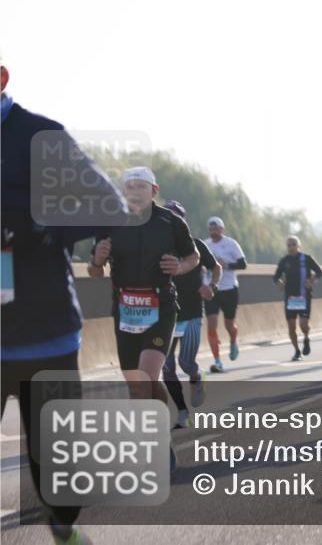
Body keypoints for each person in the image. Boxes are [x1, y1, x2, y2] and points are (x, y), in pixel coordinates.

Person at [2, 62, 127, 545]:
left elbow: (109, 206)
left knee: (59, 480)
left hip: (43, 334)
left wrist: (39, 227)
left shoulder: (42, 138)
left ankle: (64, 529)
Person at [88, 167, 200, 471]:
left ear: (154, 190)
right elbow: (94, 272)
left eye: (141, 186)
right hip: (124, 307)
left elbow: (193, 256)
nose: (134, 190)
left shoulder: (170, 221)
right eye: (129, 186)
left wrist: (179, 266)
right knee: (137, 384)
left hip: (161, 304)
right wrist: (97, 259)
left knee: (148, 373)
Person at [161, 201, 220, 428]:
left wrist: (211, 287)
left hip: (192, 312)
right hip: (165, 315)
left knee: (186, 363)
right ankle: (183, 412)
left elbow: (216, 268)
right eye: (167, 217)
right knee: (166, 367)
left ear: (183, 221)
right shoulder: (156, 247)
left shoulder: (195, 245)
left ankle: (197, 376)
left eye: (176, 217)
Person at [203, 217, 246, 372]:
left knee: (229, 325)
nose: (213, 231)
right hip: (212, 289)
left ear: (222, 229)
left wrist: (226, 265)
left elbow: (243, 264)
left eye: (216, 228)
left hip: (229, 289)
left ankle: (233, 340)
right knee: (211, 325)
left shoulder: (231, 244)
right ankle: (217, 360)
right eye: (211, 229)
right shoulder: (205, 245)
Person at [274, 236, 322, 361]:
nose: (291, 247)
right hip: (290, 297)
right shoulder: (284, 261)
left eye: (293, 244)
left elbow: (319, 272)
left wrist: (312, 281)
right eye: (289, 245)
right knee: (291, 326)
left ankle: (306, 337)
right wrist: (279, 282)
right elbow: (276, 276)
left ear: (298, 246)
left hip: (304, 296)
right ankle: (297, 351)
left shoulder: (306, 259)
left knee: (303, 324)